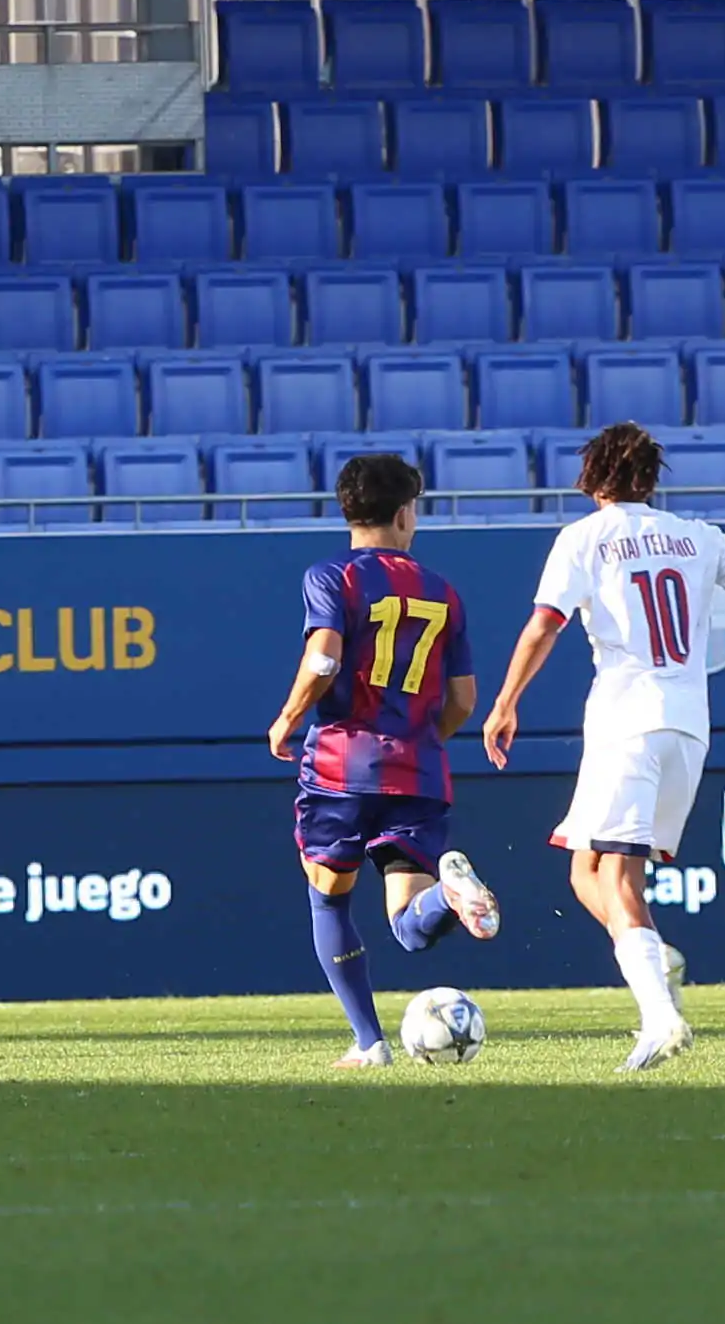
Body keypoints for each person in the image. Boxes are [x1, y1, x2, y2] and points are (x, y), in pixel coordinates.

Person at [482, 423, 725, 1073]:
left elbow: (545, 624)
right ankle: (656, 955)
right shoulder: (697, 537)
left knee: (615, 875)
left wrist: (507, 700)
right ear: (651, 479)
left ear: (590, 478)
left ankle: (660, 1017)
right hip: (688, 726)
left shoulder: (585, 538)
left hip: (626, 720)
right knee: (586, 872)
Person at [267, 454, 501, 1069]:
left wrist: (289, 718)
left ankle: (369, 1043)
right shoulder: (442, 591)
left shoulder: (333, 576)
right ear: (404, 513)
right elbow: (464, 700)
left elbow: (323, 658)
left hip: (342, 765)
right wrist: (423, 742)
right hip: (418, 770)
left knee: (330, 902)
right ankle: (448, 898)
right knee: (408, 923)